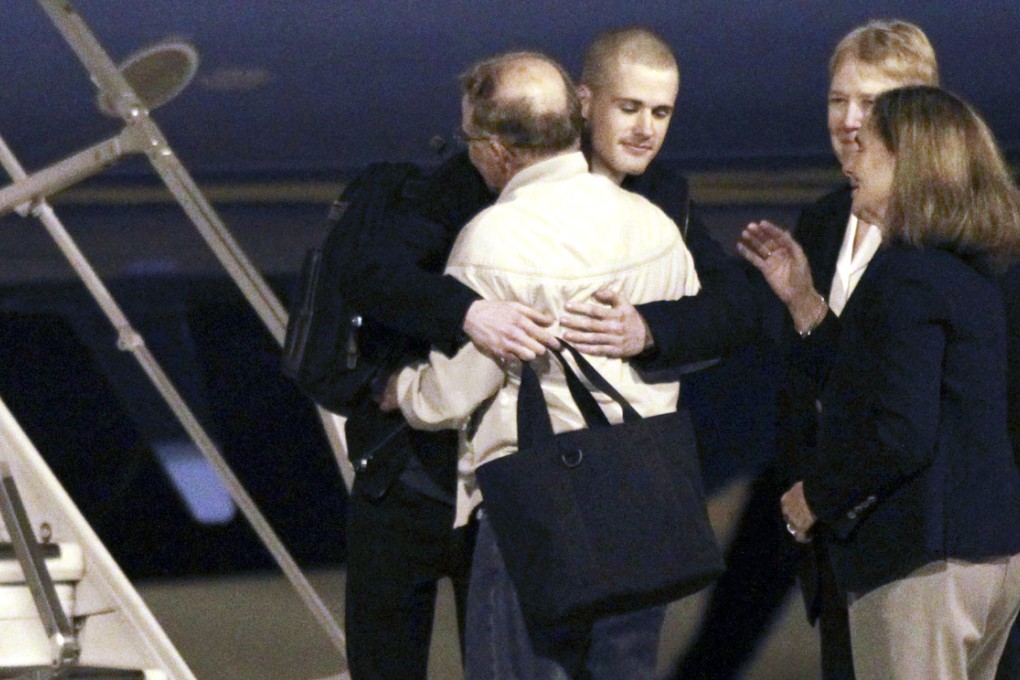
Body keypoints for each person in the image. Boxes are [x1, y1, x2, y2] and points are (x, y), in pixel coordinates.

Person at [382, 50, 701, 679]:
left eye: (472, 138)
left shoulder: (491, 240)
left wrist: (403, 389)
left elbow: (454, 392)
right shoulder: (656, 226)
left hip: (538, 511)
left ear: (499, 149)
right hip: (644, 507)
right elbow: (683, 339)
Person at [671, 20, 942, 680]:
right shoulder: (822, 221)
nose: (848, 121)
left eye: (871, 104)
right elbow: (810, 368)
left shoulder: (957, 225)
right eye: (836, 100)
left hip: (922, 536)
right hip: (819, 515)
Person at [742, 84, 1020, 680]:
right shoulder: (965, 276)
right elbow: (872, 380)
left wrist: (814, 497)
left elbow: (899, 432)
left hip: (923, 566)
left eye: (864, 147)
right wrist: (803, 300)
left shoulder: (903, 276)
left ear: (907, 161)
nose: (848, 162)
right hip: (991, 560)